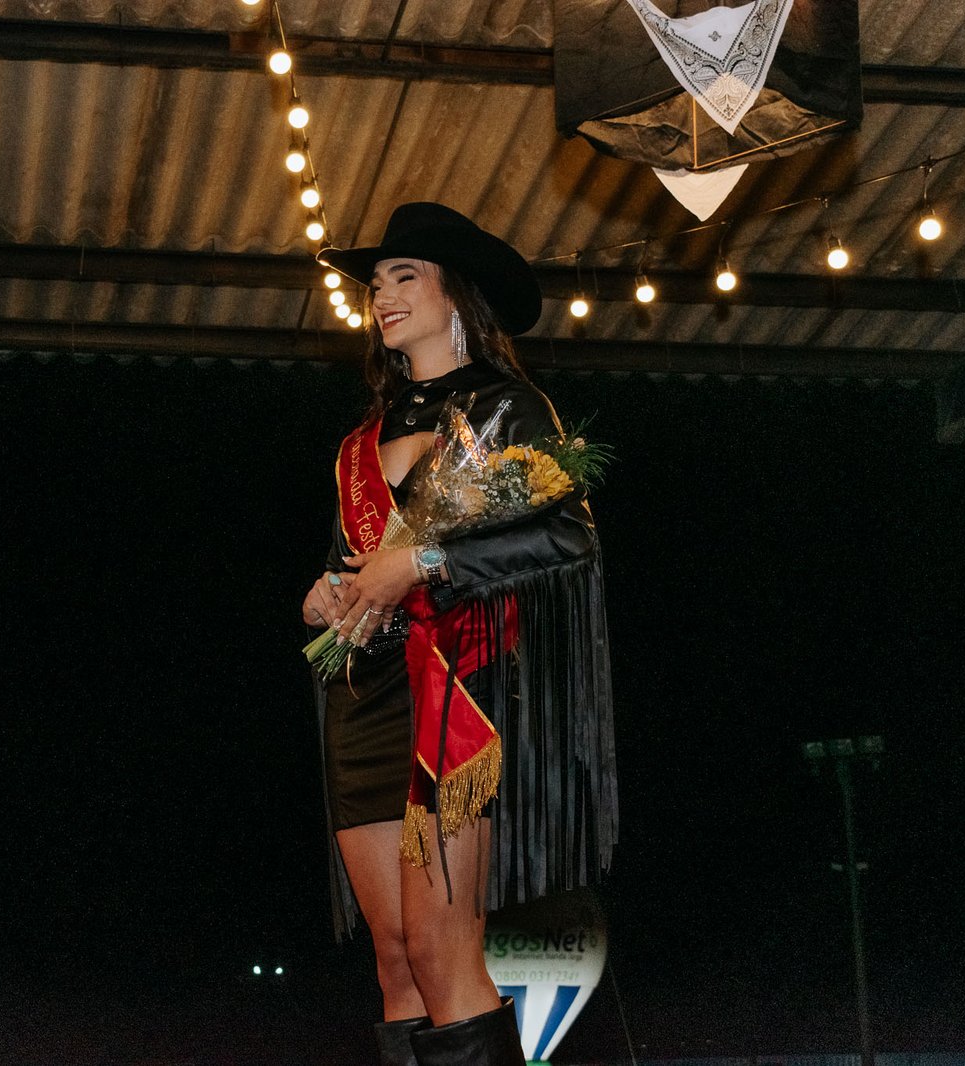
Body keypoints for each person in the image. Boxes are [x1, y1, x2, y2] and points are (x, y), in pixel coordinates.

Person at [304, 203, 617, 1066]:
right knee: (395, 959)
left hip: (457, 687)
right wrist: (325, 596)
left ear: (457, 294)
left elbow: (570, 539)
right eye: (375, 283)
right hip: (362, 699)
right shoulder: (360, 444)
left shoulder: (508, 407)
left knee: (443, 950)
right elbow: (347, 564)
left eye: (404, 276)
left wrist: (426, 562)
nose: (381, 296)